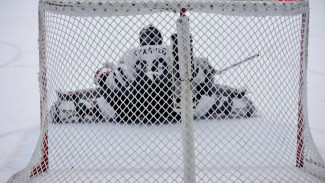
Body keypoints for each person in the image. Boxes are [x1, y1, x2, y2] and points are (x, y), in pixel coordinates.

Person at [94, 24, 246, 122]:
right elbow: (196, 75)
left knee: (108, 91)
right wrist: (207, 73)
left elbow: (115, 81)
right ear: (159, 38)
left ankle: (90, 107)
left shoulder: (131, 53)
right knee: (196, 85)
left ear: (141, 39)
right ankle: (224, 104)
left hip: (136, 109)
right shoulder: (170, 50)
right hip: (173, 108)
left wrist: (106, 73)